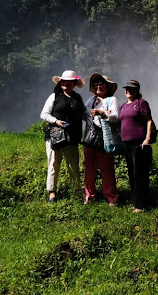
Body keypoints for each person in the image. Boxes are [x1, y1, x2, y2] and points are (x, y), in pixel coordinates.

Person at [40, 70, 86, 202]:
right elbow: (44, 114)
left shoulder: (78, 98)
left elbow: (84, 114)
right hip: (55, 136)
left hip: (72, 136)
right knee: (53, 163)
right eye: (64, 82)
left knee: (73, 165)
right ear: (60, 83)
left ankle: (76, 192)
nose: (66, 84)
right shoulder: (54, 96)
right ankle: (52, 193)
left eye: (69, 82)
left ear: (74, 83)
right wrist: (56, 121)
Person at [83, 73, 120, 207]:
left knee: (107, 168)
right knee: (89, 168)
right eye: (97, 84)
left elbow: (116, 116)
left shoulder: (112, 100)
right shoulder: (91, 100)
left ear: (108, 87)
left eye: (102, 83)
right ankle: (89, 196)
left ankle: (111, 197)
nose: (99, 86)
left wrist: (102, 113)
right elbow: (83, 113)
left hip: (105, 138)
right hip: (90, 138)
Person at [119, 80, 153, 213]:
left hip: (138, 142)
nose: (128, 91)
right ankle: (135, 202)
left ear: (137, 90)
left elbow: (149, 120)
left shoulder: (141, 103)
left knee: (140, 173)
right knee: (131, 172)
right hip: (126, 142)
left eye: (131, 89)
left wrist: (147, 138)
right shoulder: (123, 105)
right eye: (127, 88)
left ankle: (141, 205)